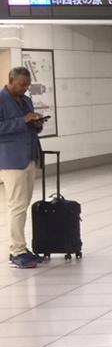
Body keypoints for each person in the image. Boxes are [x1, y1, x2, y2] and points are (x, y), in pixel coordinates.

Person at [0, 66, 44, 270]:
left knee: (23, 205)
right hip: (11, 160)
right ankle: (17, 251)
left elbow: (29, 127)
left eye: (27, 85)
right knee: (17, 206)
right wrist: (22, 120)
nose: (25, 88)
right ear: (10, 81)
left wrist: (37, 122)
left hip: (29, 157)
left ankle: (21, 247)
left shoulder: (25, 100)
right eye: (21, 85)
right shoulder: (1, 100)